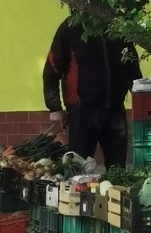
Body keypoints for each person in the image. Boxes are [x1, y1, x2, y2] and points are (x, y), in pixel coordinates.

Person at [43, 16, 141, 168]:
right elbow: (52, 68)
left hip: (115, 108)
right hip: (82, 109)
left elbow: (132, 64)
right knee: (78, 165)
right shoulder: (70, 27)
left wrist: (139, 93)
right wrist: (54, 107)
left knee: (117, 166)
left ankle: (117, 190)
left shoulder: (117, 26)